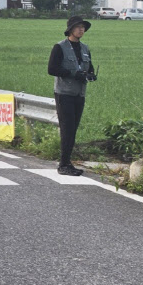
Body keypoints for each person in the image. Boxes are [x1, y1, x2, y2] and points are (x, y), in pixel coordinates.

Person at [47, 16, 96, 176]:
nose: (81, 30)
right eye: (78, 27)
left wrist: (91, 75)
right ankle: (63, 164)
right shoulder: (59, 47)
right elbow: (52, 69)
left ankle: (67, 162)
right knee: (67, 129)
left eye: (83, 27)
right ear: (70, 30)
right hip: (64, 93)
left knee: (73, 129)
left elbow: (90, 68)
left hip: (79, 93)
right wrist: (73, 74)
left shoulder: (85, 48)